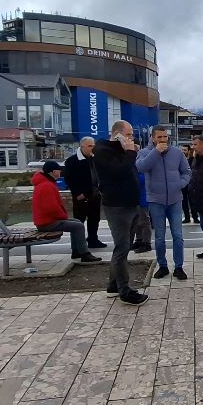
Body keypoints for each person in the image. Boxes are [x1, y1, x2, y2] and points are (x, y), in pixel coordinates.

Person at [92, 121, 148, 305]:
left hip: (131, 204)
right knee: (122, 248)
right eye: (129, 135)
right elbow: (120, 171)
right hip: (117, 206)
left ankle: (113, 285)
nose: (132, 138)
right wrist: (130, 152)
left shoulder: (120, 151)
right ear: (118, 134)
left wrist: (130, 152)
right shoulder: (102, 151)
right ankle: (125, 291)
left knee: (124, 247)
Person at [136, 125, 192, 280]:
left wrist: (180, 184)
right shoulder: (144, 153)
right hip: (156, 200)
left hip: (175, 199)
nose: (163, 140)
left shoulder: (177, 153)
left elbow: (187, 171)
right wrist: (156, 152)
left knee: (178, 235)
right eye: (159, 137)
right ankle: (163, 266)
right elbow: (141, 167)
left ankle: (179, 267)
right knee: (159, 237)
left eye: (165, 137)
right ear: (153, 138)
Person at [31, 161, 102, 263]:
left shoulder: (45, 183)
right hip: (47, 223)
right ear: (53, 172)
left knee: (76, 222)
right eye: (59, 170)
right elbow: (52, 208)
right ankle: (84, 254)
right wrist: (63, 216)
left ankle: (76, 251)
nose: (60, 172)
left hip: (46, 220)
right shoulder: (46, 185)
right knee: (78, 226)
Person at [63, 136, 107, 249]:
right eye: (89, 146)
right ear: (82, 146)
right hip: (81, 196)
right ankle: (78, 245)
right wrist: (78, 193)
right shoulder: (72, 161)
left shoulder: (96, 159)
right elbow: (68, 179)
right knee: (79, 221)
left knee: (94, 219)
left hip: (95, 194)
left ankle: (93, 239)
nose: (92, 148)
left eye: (93, 145)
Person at [132, 172, 152, 254]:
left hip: (143, 198)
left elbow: (143, 179)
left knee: (144, 221)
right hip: (136, 198)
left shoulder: (141, 165)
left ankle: (146, 243)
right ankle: (139, 239)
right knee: (137, 221)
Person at [181, 146, 200, 224]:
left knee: (193, 201)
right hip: (183, 183)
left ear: (189, 151)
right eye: (182, 150)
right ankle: (187, 217)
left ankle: (195, 217)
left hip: (192, 183)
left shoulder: (193, 160)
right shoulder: (180, 160)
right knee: (184, 201)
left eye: (185, 150)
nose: (183, 152)